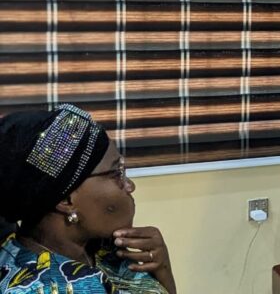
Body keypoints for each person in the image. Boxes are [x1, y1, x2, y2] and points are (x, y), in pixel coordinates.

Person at [0, 104, 177, 294]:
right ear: (67, 201)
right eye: (116, 173)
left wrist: (161, 269)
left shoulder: (101, 248)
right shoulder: (42, 288)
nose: (130, 186)